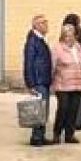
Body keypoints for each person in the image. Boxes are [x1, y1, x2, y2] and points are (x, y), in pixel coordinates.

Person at [51, 23, 81, 145]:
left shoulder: (79, 47)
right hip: (63, 84)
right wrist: (51, 80)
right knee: (63, 108)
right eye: (67, 36)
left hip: (78, 84)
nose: (70, 38)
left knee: (74, 110)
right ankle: (57, 133)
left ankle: (69, 134)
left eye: (72, 36)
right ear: (63, 37)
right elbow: (53, 65)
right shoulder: (57, 48)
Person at [22, 14, 52, 147]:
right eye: (42, 23)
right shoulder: (33, 41)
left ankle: (40, 135)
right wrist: (30, 83)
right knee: (39, 110)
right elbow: (28, 63)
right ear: (36, 26)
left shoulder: (40, 40)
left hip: (43, 80)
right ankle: (37, 137)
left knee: (42, 110)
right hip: (38, 81)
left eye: (46, 22)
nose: (46, 25)